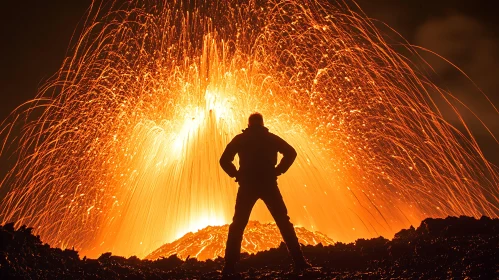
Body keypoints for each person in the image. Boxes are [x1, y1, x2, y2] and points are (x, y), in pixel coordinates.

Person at [219, 112, 311, 275]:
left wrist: (236, 174)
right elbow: (291, 152)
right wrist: (278, 170)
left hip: (247, 185)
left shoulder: (241, 139)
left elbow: (224, 160)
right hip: (269, 184)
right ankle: (299, 262)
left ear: (248, 125)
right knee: (283, 221)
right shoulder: (271, 138)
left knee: (238, 224)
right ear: (262, 124)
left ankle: (229, 266)